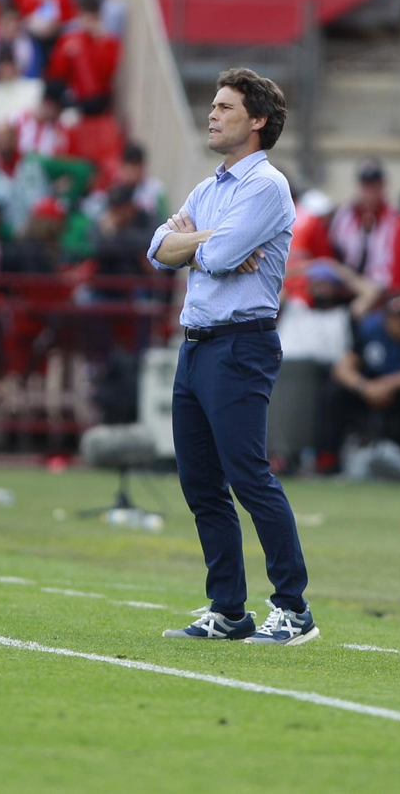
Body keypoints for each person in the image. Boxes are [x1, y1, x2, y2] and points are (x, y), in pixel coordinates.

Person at [146, 67, 317, 646]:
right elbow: (158, 249)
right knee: (200, 484)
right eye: (214, 105)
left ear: (257, 121)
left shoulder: (266, 186)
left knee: (248, 477)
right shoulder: (209, 187)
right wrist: (207, 241)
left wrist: (199, 244)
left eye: (225, 107)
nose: (213, 115)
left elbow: (212, 259)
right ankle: (228, 610)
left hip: (241, 343)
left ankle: (293, 608)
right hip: (195, 346)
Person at [322, 290, 400, 467]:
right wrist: (364, 387)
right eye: (398, 320)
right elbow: (342, 368)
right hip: (370, 387)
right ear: (386, 319)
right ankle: (328, 457)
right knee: (334, 390)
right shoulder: (368, 329)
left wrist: (388, 384)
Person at [329, 158, 400, 291]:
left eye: (374, 186)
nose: (370, 192)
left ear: (383, 186)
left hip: (382, 286)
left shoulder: (396, 217)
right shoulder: (345, 215)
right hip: (349, 284)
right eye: (366, 186)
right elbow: (335, 251)